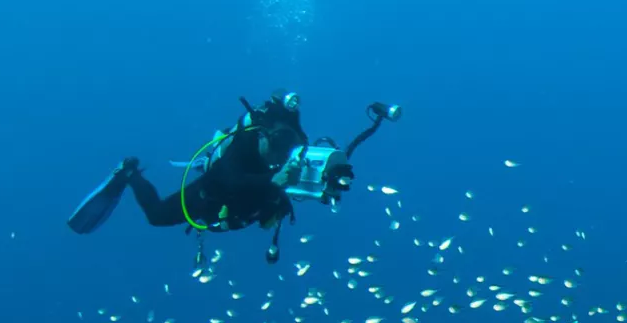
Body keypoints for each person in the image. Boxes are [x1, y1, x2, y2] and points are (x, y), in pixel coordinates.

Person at [68, 91, 399, 262]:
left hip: (248, 207)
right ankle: (130, 174)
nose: (276, 157)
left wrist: (329, 179)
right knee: (156, 216)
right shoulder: (243, 143)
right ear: (263, 136)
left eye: (282, 153)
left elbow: (297, 182)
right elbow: (229, 181)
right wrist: (273, 182)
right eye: (272, 150)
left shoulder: (292, 144)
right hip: (212, 194)